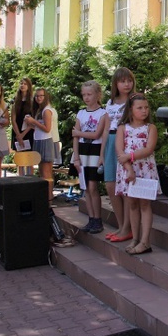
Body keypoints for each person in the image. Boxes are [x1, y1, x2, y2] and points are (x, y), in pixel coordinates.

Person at [114, 93, 159, 255]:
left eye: (146, 107)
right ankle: (135, 238)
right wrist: (130, 168)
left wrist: (130, 156)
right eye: (139, 108)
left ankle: (145, 241)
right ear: (131, 110)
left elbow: (148, 149)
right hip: (128, 171)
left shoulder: (150, 128)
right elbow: (120, 151)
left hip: (145, 169)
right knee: (132, 204)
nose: (144, 111)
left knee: (145, 205)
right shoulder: (122, 128)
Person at [71, 80, 109, 234]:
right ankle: (91, 219)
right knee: (85, 187)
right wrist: (76, 157)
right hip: (82, 151)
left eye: (89, 94)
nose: (86, 97)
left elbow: (96, 134)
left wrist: (79, 133)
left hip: (94, 150)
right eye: (84, 94)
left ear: (97, 94)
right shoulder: (81, 113)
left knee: (93, 186)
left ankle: (98, 220)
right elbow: (75, 137)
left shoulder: (103, 113)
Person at [103, 67, 136, 243]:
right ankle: (121, 225)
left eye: (129, 80)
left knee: (125, 188)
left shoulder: (134, 100)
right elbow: (106, 127)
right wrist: (102, 153)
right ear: (116, 83)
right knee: (110, 185)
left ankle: (126, 229)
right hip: (110, 142)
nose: (127, 84)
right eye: (123, 81)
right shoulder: (110, 102)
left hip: (126, 142)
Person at [24, 88, 59, 192]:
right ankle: (45, 197)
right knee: (41, 172)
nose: (39, 98)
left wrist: (33, 121)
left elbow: (47, 129)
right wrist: (30, 123)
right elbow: (40, 128)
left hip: (45, 142)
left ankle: (48, 198)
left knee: (46, 173)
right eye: (37, 96)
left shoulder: (47, 110)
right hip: (39, 140)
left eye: (41, 96)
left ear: (45, 97)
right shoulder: (39, 110)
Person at [10, 77, 34, 151]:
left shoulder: (32, 101)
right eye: (21, 83)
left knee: (29, 156)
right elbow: (13, 120)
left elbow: (33, 120)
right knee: (19, 157)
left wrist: (22, 134)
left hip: (28, 131)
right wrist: (18, 135)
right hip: (17, 130)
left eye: (25, 84)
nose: (22, 85)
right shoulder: (16, 100)